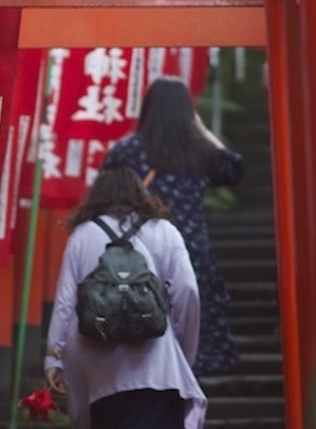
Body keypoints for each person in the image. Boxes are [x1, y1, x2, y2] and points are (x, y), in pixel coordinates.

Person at [43, 165, 206, 429]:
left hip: (91, 356)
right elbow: (186, 290)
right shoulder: (164, 232)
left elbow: (65, 302)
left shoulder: (82, 234)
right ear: (139, 194)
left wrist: (53, 357)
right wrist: (181, 348)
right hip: (150, 355)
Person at [101, 75, 245, 374]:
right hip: (190, 249)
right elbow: (234, 169)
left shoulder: (127, 151)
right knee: (190, 337)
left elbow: (105, 194)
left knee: (140, 332)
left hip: (138, 252)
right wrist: (202, 129)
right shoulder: (200, 152)